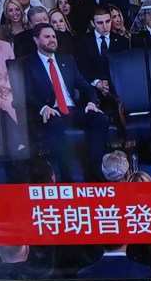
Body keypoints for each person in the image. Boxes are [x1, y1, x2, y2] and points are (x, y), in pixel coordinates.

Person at [20, 23, 108, 181]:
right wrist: (43, 108)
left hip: (72, 110)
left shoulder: (67, 60)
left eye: (53, 36)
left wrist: (91, 103)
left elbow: (86, 87)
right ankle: (67, 179)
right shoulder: (27, 63)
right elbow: (25, 92)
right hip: (50, 112)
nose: (52, 40)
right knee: (57, 123)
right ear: (36, 40)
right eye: (47, 37)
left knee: (100, 118)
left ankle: (94, 172)